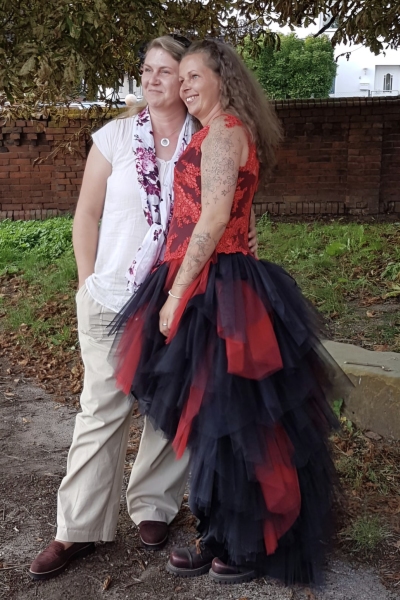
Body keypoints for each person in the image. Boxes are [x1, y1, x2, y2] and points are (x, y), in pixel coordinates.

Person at [111, 39, 349, 586]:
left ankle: (245, 542)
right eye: (182, 79)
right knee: (218, 419)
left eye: (195, 76)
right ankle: (220, 532)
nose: (186, 86)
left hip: (213, 286)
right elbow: (241, 209)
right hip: (216, 280)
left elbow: (215, 216)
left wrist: (176, 295)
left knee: (232, 419)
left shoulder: (222, 132)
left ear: (224, 79)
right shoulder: (221, 131)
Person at [29, 35, 258, 581]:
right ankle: (77, 527)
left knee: (169, 406)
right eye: (147, 70)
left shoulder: (206, 134)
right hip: (112, 294)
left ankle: (153, 505)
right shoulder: (114, 136)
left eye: (168, 71)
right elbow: (86, 215)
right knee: (100, 409)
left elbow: (227, 208)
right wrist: (87, 283)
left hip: (181, 293)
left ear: (188, 81)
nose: (154, 79)